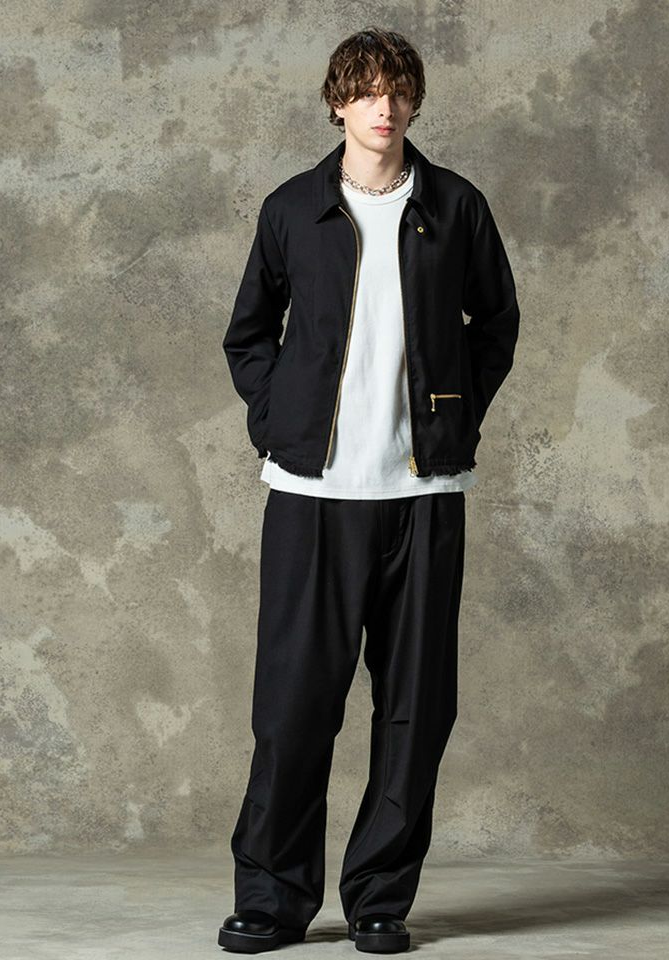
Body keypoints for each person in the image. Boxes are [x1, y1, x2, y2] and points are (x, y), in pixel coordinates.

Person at [217, 25, 520, 955]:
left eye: (397, 91)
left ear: (414, 101)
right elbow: (249, 333)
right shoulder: (293, 209)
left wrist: (454, 418)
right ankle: (272, 900)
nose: (383, 108)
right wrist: (279, 420)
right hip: (312, 495)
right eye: (365, 91)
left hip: (423, 494)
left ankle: (380, 900)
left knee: (416, 708)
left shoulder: (456, 206)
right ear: (337, 102)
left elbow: (497, 322)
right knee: (293, 707)